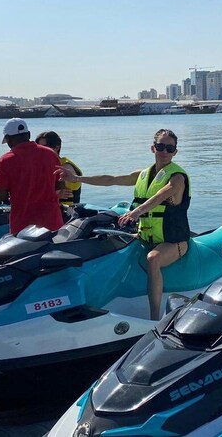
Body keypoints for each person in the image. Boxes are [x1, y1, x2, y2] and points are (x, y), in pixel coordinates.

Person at [58, 129, 190, 320]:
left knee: (153, 259)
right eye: (160, 146)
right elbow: (110, 180)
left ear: (175, 152)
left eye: (169, 148)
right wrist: (77, 179)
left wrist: (136, 212)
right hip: (145, 235)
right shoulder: (144, 175)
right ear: (153, 148)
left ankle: (154, 318)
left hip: (174, 241)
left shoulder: (177, 177)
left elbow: (161, 195)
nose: (164, 151)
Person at [0, 118, 64, 235]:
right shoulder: (51, 154)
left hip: (23, 226)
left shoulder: (5, 160)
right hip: (52, 222)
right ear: (29, 134)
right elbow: (60, 184)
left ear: (8, 139)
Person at [35, 131, 82, 206]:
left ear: (57, 147)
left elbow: (68, 189)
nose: (40, 151)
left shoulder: (65, 166)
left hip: (65, 211)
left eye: (44, 147)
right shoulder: (42, 165)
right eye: (38, 147)